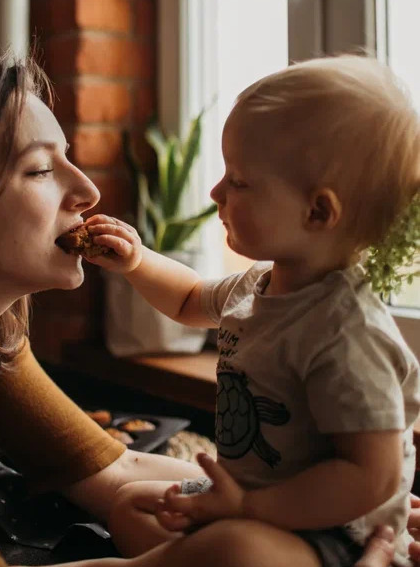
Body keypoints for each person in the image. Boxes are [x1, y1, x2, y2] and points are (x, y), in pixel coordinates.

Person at [0, 50, 412, 567]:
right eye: (41, 170)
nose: (89, 192)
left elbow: (117, 468)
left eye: (67, 158)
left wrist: (357, 514)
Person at [81, 55, 420, 567]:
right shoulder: (260, 283)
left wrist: (252, 508)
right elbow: (190, 298)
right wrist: (136, 261)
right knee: (133, 506)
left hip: (330, 534)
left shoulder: (347, 336)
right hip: (255, 492)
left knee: (234, 550)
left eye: (238, 181)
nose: (216, 193)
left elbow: (370, 478)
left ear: (318, 211)